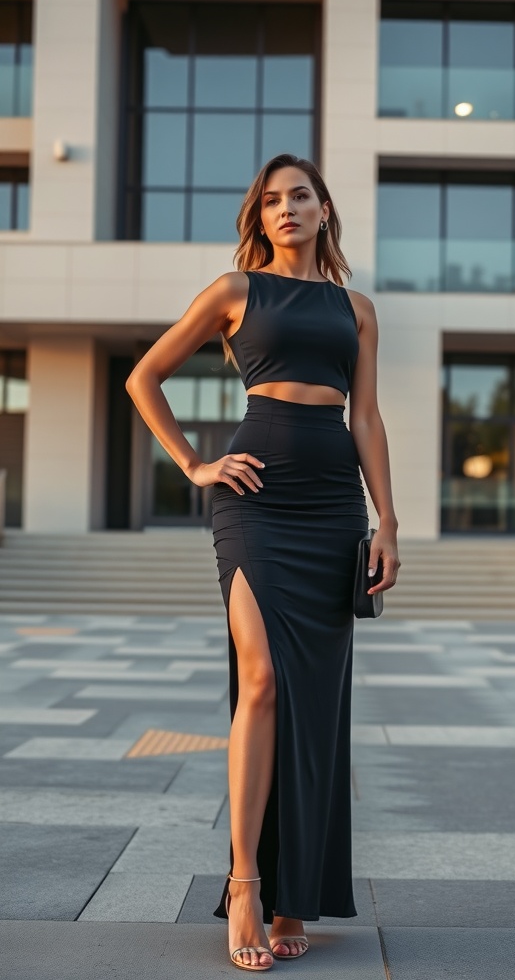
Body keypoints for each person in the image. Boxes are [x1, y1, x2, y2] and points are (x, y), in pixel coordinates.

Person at [125, 152, 400, 973]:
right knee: (261, 681)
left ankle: (292, 896)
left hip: (331, 505)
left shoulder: (357, 308)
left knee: (314, 702)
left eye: (301, 196)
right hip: (253, 496)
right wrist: (193, 463)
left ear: (324, 211)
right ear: (261, 215)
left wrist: (388, 519)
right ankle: (244, 879)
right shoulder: (234, 290)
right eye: (273, 200)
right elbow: (145, 377)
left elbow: (368, 418)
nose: (287, 209)